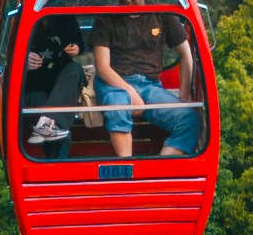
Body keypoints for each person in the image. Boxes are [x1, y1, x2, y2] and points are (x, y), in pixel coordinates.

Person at [94, 10, 204, 159]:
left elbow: (185, 54)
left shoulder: (161, 14)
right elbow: (102, 67)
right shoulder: (106, 18)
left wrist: (183, 97)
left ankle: (159, 172)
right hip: (114, 83)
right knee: (118, 107)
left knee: (189, 119)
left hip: (150, 85)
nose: (128, 0)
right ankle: (128, 169)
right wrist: (130, 92)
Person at [23, 29, 99, 160]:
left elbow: (79, 43)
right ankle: (51, 127)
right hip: (33, 92)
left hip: (61, 92)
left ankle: (49, 124)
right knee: (61, 131)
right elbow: (8, 53)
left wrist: (77, 48)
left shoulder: (65, 21)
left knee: (75, 69)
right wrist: (23, 58)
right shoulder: (25, 24)